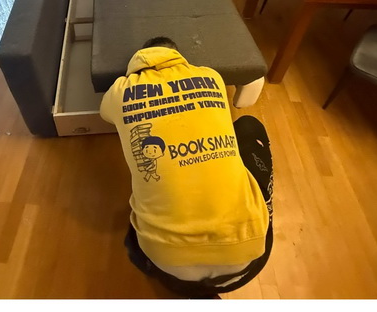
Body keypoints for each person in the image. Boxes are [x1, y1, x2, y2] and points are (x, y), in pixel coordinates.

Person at [99, 37, 273, 298]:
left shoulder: (120, 90)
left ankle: (190, 288)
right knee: (248, 127)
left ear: (136, 63)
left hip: (164, 261)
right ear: (178, 57)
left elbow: (105, 115)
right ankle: (263, 203)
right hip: (247, 257)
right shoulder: (211, 77)